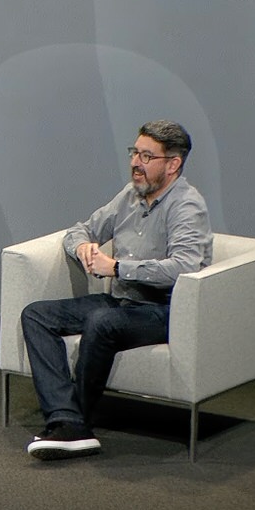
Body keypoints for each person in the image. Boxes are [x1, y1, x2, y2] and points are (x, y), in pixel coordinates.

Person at [20, 119, 210, 460]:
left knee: (102, 323)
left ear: (173, 164)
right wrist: (83, 248)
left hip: (163, 310)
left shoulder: (186, 206)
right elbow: (80, 230)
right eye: (134, 153)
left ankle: (74, 423)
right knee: (36, 315)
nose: (136, 163)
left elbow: (185, 267)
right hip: (120, 301)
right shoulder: (129, 196)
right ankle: (67, 418)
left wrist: (119, 267)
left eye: (146, 156)